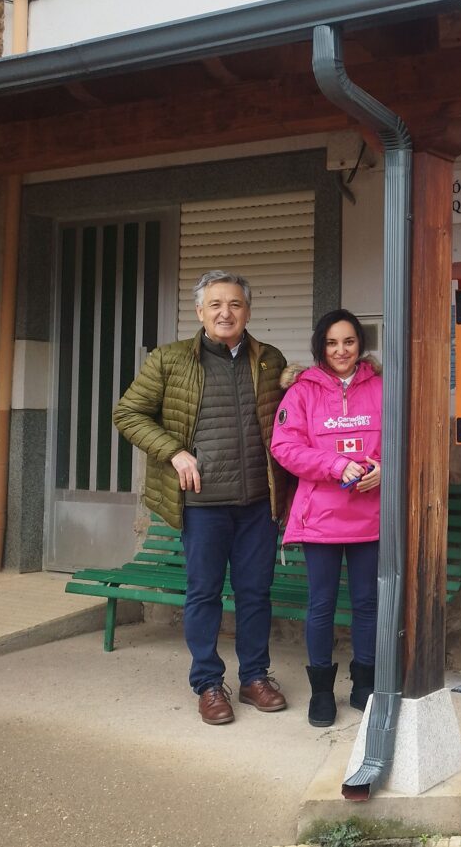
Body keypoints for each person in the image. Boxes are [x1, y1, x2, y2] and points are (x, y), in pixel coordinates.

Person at [113, 270, 291, 725]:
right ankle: (209, 683)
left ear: (248, 311)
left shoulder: (270, 360)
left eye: (234, 304)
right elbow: (127, 412)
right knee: (204, 594)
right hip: (203, 504)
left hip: (257, 503)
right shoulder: (170, 360)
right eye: (215, 305)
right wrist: (174, 452)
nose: (225, 313)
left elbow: (288, 418)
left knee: (255, 594)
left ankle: (254, 677)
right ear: (200, 312)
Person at [270, 309, 382, 727]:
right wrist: (335, 465)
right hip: (320, 517)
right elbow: (285, 447)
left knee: (367, 604)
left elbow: (404, 437)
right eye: (332, 343)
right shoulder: (301, 392)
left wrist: (383, 468)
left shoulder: (382, 387)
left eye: (349, 342)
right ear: (321, 346)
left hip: (370, 516)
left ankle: (364, 683)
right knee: (321, 605)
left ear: (360, 344)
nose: (341, 351)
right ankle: (321, 692)